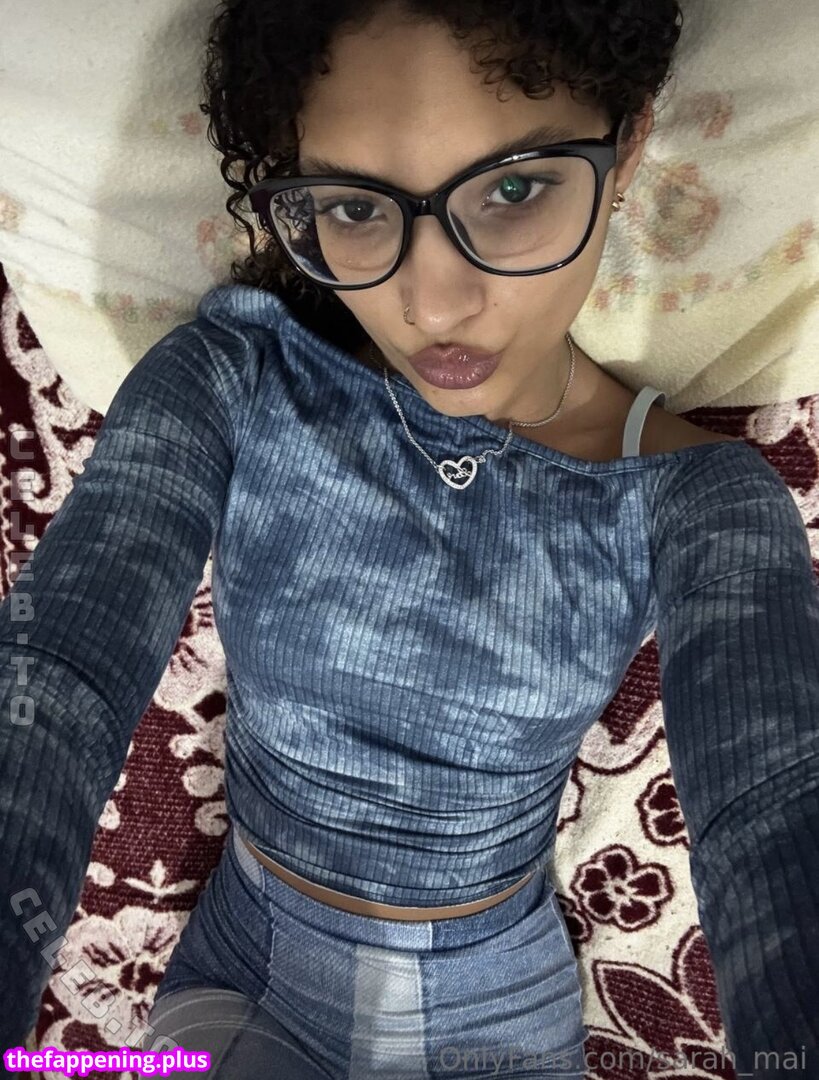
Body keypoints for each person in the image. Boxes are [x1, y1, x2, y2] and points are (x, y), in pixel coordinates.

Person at [1, 0, 817, 1077]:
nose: (432, 302)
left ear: (625, 151)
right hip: (241, 981)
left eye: (513, 190)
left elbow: (777, 800)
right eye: (354, 207)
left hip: (501, 1013)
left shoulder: (696, 498)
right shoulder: (232, 378)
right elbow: (58, 668)